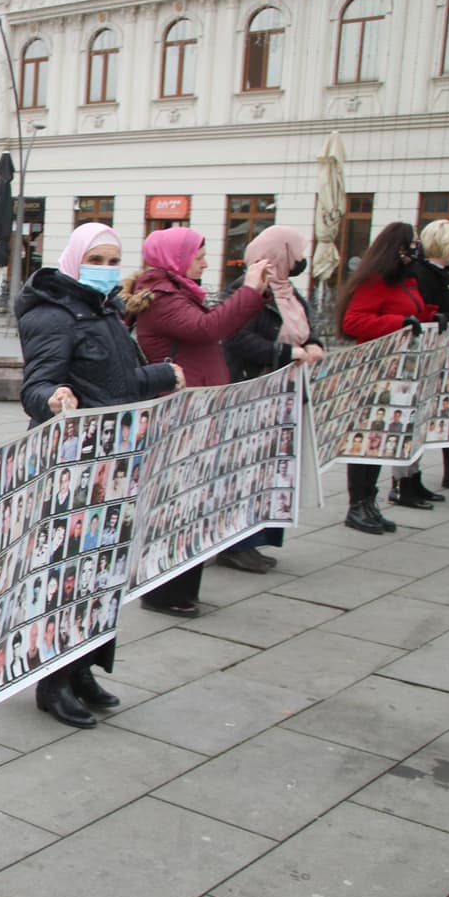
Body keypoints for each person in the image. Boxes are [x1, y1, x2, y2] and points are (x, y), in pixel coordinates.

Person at [14, 222, 182, 728]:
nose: (107, 270)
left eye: (114, 261)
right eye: (98, 259)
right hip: (76, 465)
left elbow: (111, 381)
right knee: (70, 575)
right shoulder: (54, 315)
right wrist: (52, 400)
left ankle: (84, 666)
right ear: (74, 259)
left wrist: (155, 376)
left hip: (116, 459)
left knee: (103, 572)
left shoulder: (103, 309)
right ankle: (54, 681)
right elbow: (37, 384)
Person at [124, 226, 268, 616]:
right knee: (177, 505)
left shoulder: (180, 291)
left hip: (197, 409)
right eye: (199, 254)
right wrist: (249, 289)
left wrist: (257, 296)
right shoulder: (163, 297)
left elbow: (217, 328)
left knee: (193, 503)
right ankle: (162, 591)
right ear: (177, 257)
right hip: (180, 412)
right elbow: (209, 328)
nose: (206, 260)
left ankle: (181, 588)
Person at [215, 224, 325, 569]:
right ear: (283, 254)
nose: (302, 259)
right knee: (249, 468)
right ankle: (236, 544)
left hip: (284, 394)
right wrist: (288, 353)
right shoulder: (247, 289)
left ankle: (255, 538)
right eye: (298, 252)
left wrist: (314, 343)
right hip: (255, 390)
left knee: (271, 469)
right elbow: (234, 338)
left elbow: (304, 324)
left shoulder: (287, 290)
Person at [338, 222, 439, 533]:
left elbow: (409, 313)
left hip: (398, 370)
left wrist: (430, 317)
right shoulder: (375, 280)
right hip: (375, 369)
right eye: (413, 243)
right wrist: (400, 322)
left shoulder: (405, 280)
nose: (416, 249)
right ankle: (358, 504)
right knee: (366, 438)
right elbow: (354, 320)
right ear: (398, 246)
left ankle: (370, 501)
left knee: (381, 438)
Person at [415, 220, 449, 492]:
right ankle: (409, 479)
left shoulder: (445, 276)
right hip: (433, 354)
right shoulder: (425, 274)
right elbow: (429, 314)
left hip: (448, 354)